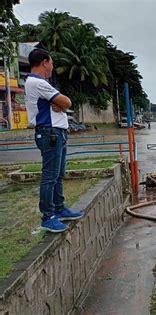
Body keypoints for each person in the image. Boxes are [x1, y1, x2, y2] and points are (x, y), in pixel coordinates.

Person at [25, 49, 83, 233]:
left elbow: (61, 105)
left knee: (58, 175)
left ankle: (59, 209)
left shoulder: (41, 84)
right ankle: (48, 217)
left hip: (56, 133)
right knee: (49, 176)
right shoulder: (38, 83)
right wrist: (62, 104)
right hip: (49, 133)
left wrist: (60, 105)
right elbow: (67, 102)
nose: (52, 67)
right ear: (44, 62)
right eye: (51, 63)